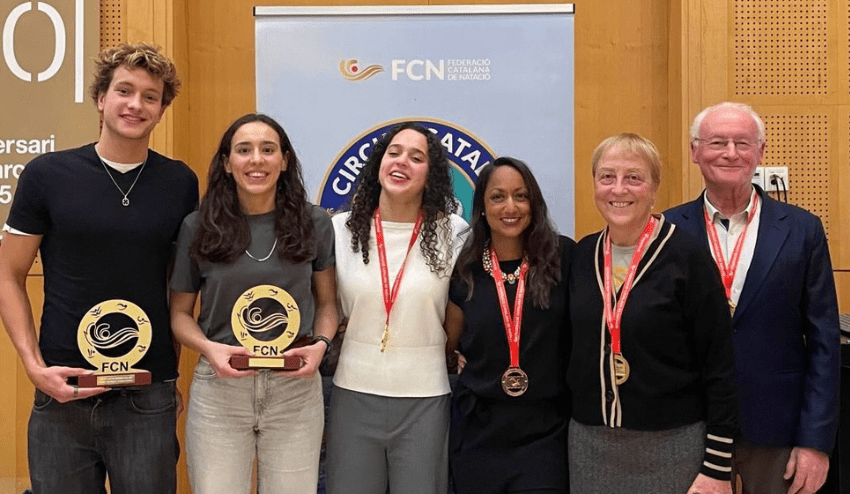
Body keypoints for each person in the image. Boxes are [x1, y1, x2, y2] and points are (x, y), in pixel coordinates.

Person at [0, 43, 198, 493]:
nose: (136, 104)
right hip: (62, 389)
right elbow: (8, 274)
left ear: (162, 110)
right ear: (101, 99)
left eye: (150, 96)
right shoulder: (47, 175)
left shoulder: (180, 183)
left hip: (146, 393)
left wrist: (169, 373)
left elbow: (179, 285)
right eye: (124, 91)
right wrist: (33, 367)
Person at [665, 102, 840, 494]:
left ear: (760, 151)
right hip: (690, 429)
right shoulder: (667, 230)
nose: (730, 153)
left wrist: (816, 442)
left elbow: (824, 343)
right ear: (695, 151)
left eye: (742, 143)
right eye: (717, 142)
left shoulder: (802, 230)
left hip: (778, 432)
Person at [169, 113, 337, 493]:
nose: (256, 160)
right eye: (244, 150)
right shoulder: (198, 226)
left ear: (285, 160)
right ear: (227, 163)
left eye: (268, 149)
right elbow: (179, 315)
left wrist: (321, 346)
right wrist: (208, 348)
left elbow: (328, 305)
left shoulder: (315, 223)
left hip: (295, 386)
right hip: (221, 386)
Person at [568, 133, 737, 494]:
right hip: (589, 448)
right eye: (607, 176)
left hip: (674, 448)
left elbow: (720, 366)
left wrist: (718, 466)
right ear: (594, 184)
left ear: (654, 188)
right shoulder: (581, 256)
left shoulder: (688, 257)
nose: (619, 189)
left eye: (634, 177)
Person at [326, 122, 468, 494]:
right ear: (379, 164)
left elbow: (459, 312)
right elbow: (325, 306)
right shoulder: (340, 230)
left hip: (426, 397)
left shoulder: (453, 232)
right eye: (394, 152)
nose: (402, 161)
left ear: (431, 174)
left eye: (416, 157)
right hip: (353, 392)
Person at [445, 157, 574, 493]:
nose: (510, 207)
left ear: (534, 203)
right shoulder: (466, 271)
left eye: (521, 196)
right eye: (497, 197)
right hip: (479, 434)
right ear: (482, 208)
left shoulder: (563, 257)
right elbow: (447, 345)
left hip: (546, 433)